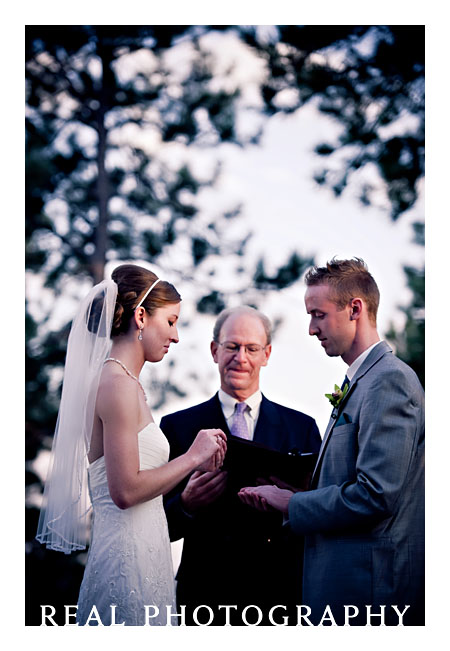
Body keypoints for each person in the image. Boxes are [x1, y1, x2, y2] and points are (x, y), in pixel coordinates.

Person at [36, 264, 226, 626]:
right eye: (170, 322)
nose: (176, 336)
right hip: (125, 563)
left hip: (147, 555)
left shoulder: (128, 383)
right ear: (141, 316)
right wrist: (192, 457)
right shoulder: (116, 384)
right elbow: (124, 491)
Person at [239, 258, 425, 626]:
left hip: (369, 594)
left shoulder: (389, 381)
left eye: (319, 315)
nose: (311, 329)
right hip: (342, 585)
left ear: (355, 309)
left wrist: (293, 503)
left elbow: (377, 494)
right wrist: (296, 486)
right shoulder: (361, 381)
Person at [160, 306, 321, 625]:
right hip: (205, 593)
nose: (241, 358)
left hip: (281, 591)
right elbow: (154, 525)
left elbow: (319, 511)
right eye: (232, 346)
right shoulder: (178, 426)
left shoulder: (301, 427)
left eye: (251, 348)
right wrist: (187, 505)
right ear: (214, 350)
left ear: (267, 354)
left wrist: (290, 503)